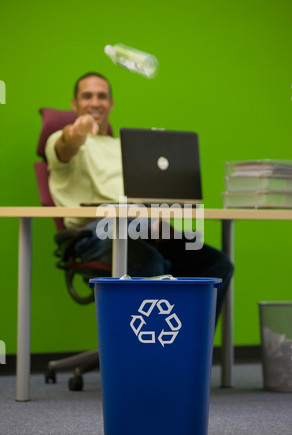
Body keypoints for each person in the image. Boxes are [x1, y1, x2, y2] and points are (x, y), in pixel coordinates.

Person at [45, 72, 234, 324]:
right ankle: (147, 355)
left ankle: (189, 351)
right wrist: (74, 132)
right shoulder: (61, 139)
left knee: (216, 265)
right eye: (87, 96)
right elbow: (65, 146)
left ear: (111, 104)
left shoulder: (127, 146)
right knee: (150, 262)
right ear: (74, 104)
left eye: (102, 96)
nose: (95, 102)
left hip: (141, 227)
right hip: (94, 233)